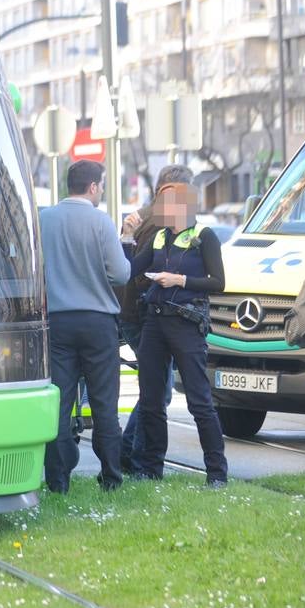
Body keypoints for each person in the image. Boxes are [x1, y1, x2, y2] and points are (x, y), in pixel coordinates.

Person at [127, 181, 229, 486]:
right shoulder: (158, 236)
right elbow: (130, 269)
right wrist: (126, 237)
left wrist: (180, 280)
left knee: (199, 402)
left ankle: (216, 473)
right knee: (151, 400)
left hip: (186, 324)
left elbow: (218, 282)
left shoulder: (204, 236)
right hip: (155, 323)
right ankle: (151, 468)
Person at [37, 160, 129, 492]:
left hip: (58, 323)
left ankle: (58, 481)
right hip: (97, 323)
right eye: (101, 186)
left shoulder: (44, 219)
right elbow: (120, 274)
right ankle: (111, 478)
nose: (101, 191)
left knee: (59, 404)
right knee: (104, 404)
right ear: (92, 187)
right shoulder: (101, 222)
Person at [116, 165, 193, 475]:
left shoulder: (151, 216)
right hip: (144, 316)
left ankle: (131, 452)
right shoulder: (158, 221)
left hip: (138, 314)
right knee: (157, 391)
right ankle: (133, 454)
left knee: (157, 389)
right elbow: (138, 272)